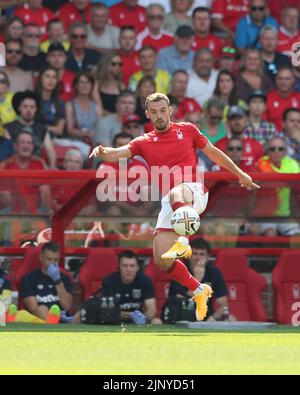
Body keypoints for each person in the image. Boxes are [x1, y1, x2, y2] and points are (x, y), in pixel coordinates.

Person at [90, 92, 259, 321]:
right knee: (161, 259)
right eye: (154, 112)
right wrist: (103, 151)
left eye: (162, 110)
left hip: (193, 192)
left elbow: (214, 153)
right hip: (172, 202)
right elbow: (117, 154)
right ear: (148, 114)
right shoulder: (143, 141)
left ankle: (184, 242)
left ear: (170, 110)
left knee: (175, 192)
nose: (159, 116)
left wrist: (240, 174)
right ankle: (199, 290)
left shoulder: (188, 129)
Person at [167, 238, 235, 322]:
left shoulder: (214, 272)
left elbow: (223, 305)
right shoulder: (179, 271)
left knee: (232, 319)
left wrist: (213, 318)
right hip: (180, 317)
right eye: (194, 254)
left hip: (206, 318)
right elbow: (186, 304)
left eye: (202, 254)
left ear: (208, 257)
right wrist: (197, 278)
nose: (198, 258)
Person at [20, 242, 73, 323]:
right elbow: (33, 308)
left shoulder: (65, 278)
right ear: (41, 257)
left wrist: (57, 280)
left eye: (56, 260)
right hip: (40, 320)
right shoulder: (29, 278)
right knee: (42, 309)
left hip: (62, 319)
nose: (52, 263)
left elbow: (67, 306)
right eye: (49, 259)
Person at [100, 250, 157, 324]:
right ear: (119, 267)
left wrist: (144, 317)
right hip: (115, 321)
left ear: (137, 267)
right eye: (125, 266)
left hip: (139, 321)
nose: (128, 269)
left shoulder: (145, 281)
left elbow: (152, 310)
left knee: (157, 322)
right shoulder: (109, 281)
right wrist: (131, 315)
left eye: (132, 266)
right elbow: (108, 311)